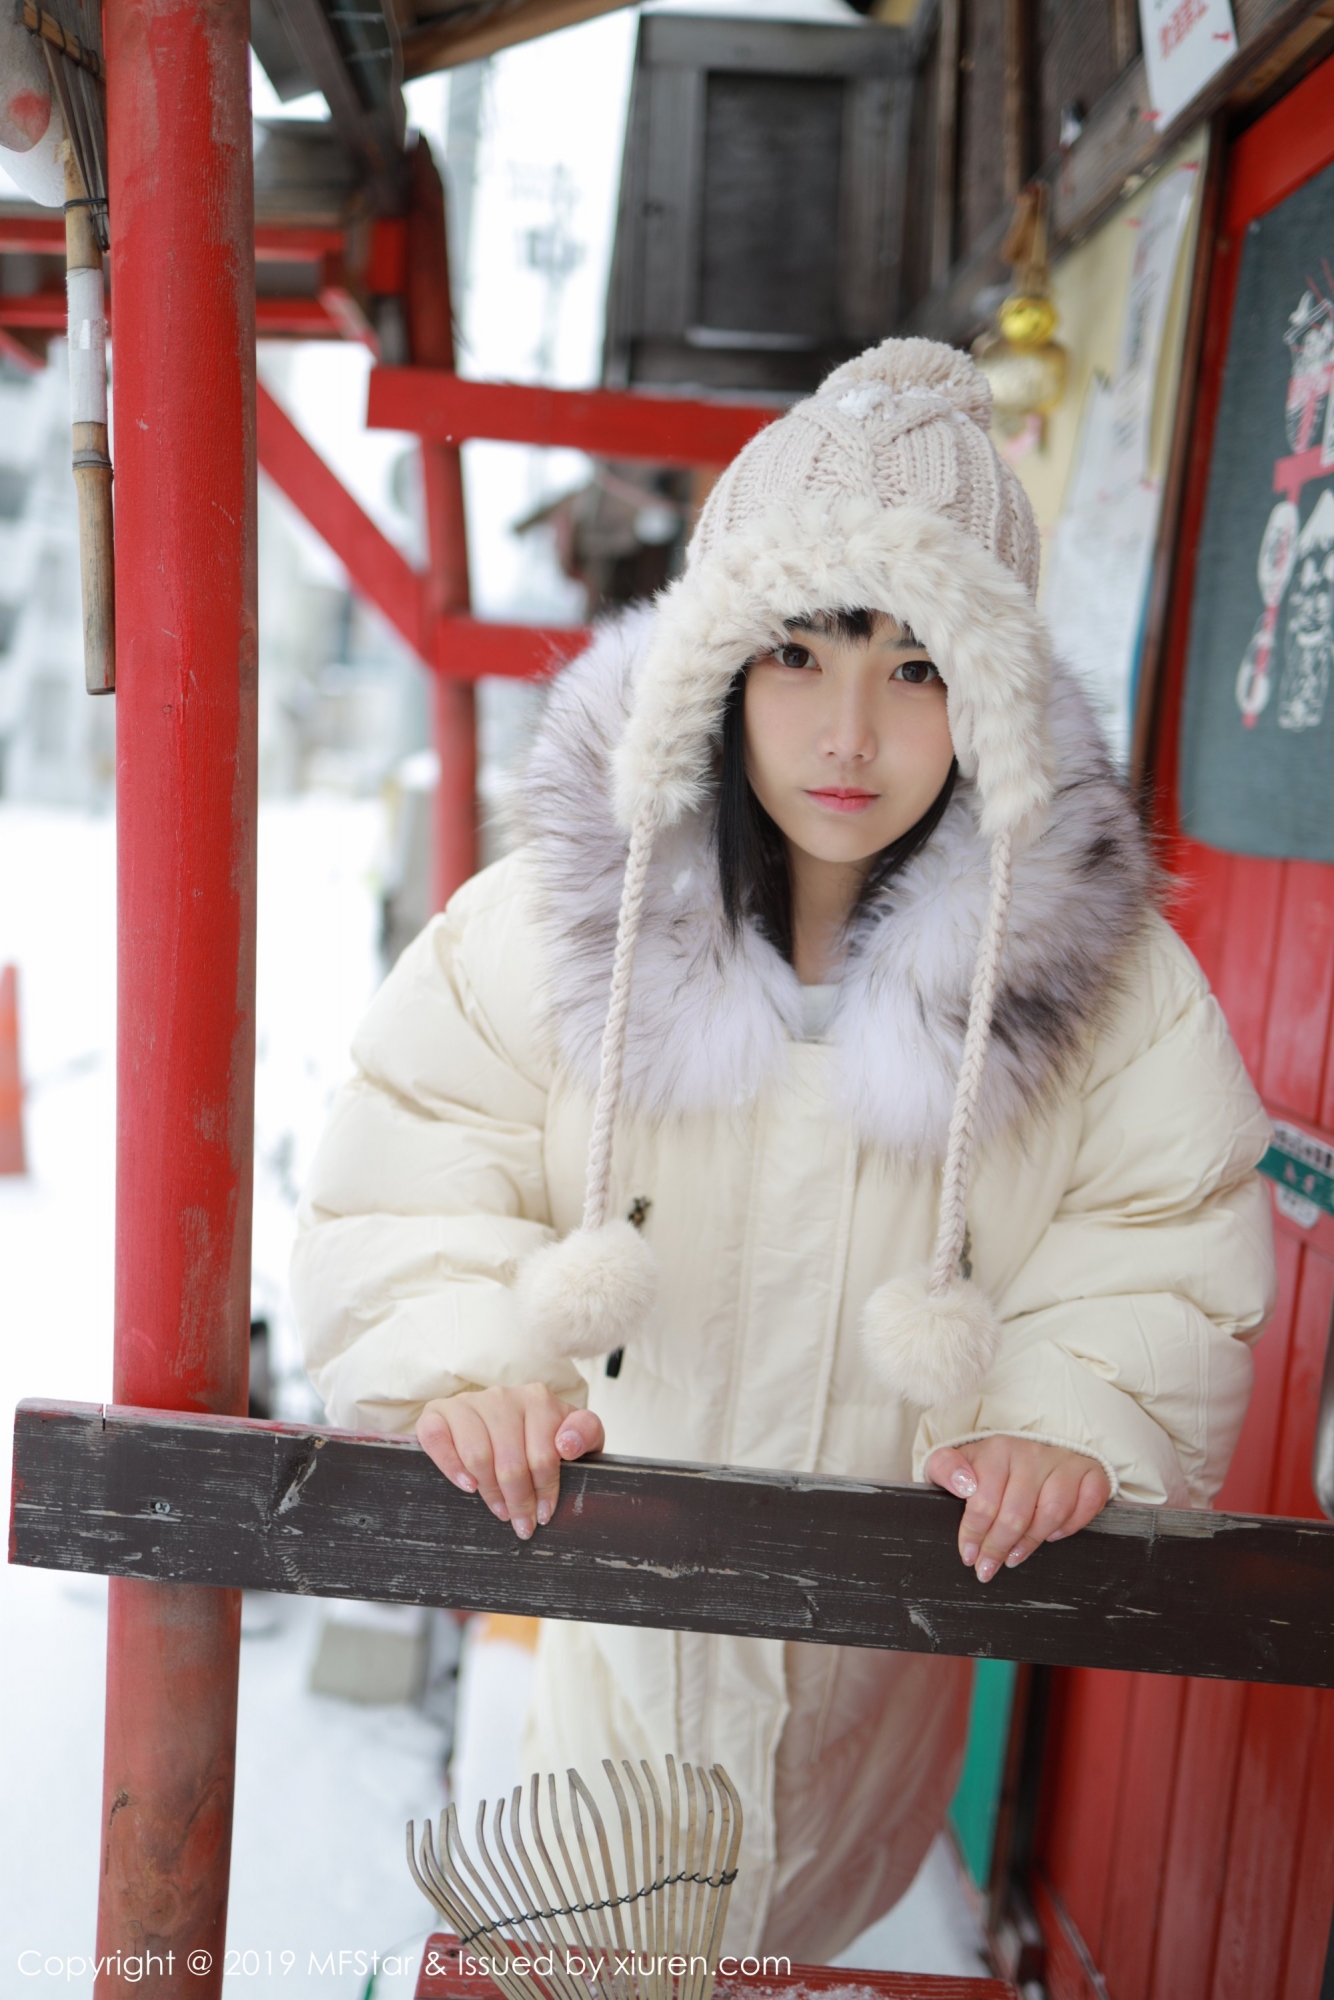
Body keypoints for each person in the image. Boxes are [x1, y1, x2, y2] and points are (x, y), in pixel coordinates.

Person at [291, 337, 1276, 1960]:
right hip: (608, 1648)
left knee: (804, 1929)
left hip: (873, 1687)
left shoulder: (1107, 985)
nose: (849, 732)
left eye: (917, 667)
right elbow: (419, 1153)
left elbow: (1155, 1232)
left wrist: (1068, 1419)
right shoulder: (549, 926)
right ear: (714, 665)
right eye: (798, 654)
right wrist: (467, 1367)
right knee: (603, 1941)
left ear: (992, 698)